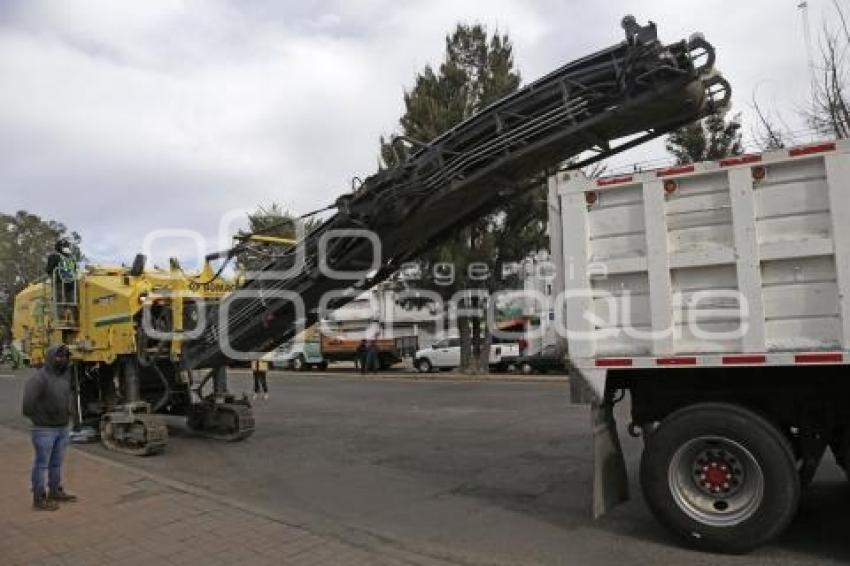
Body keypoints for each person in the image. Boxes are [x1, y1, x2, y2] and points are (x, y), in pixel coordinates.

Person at [21, 344, 77, 511]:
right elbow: (27, 407)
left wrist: (69, 415)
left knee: (56, 463)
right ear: (50, 357)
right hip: (44, 430)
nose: (62, 359)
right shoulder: (39, 379)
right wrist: (42, 418)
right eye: (59, 356)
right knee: (42, 464)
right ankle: (39, 499)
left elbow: (68, 397)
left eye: (65, 356)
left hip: (62, 427)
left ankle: (55, 491)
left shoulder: (65, 377)